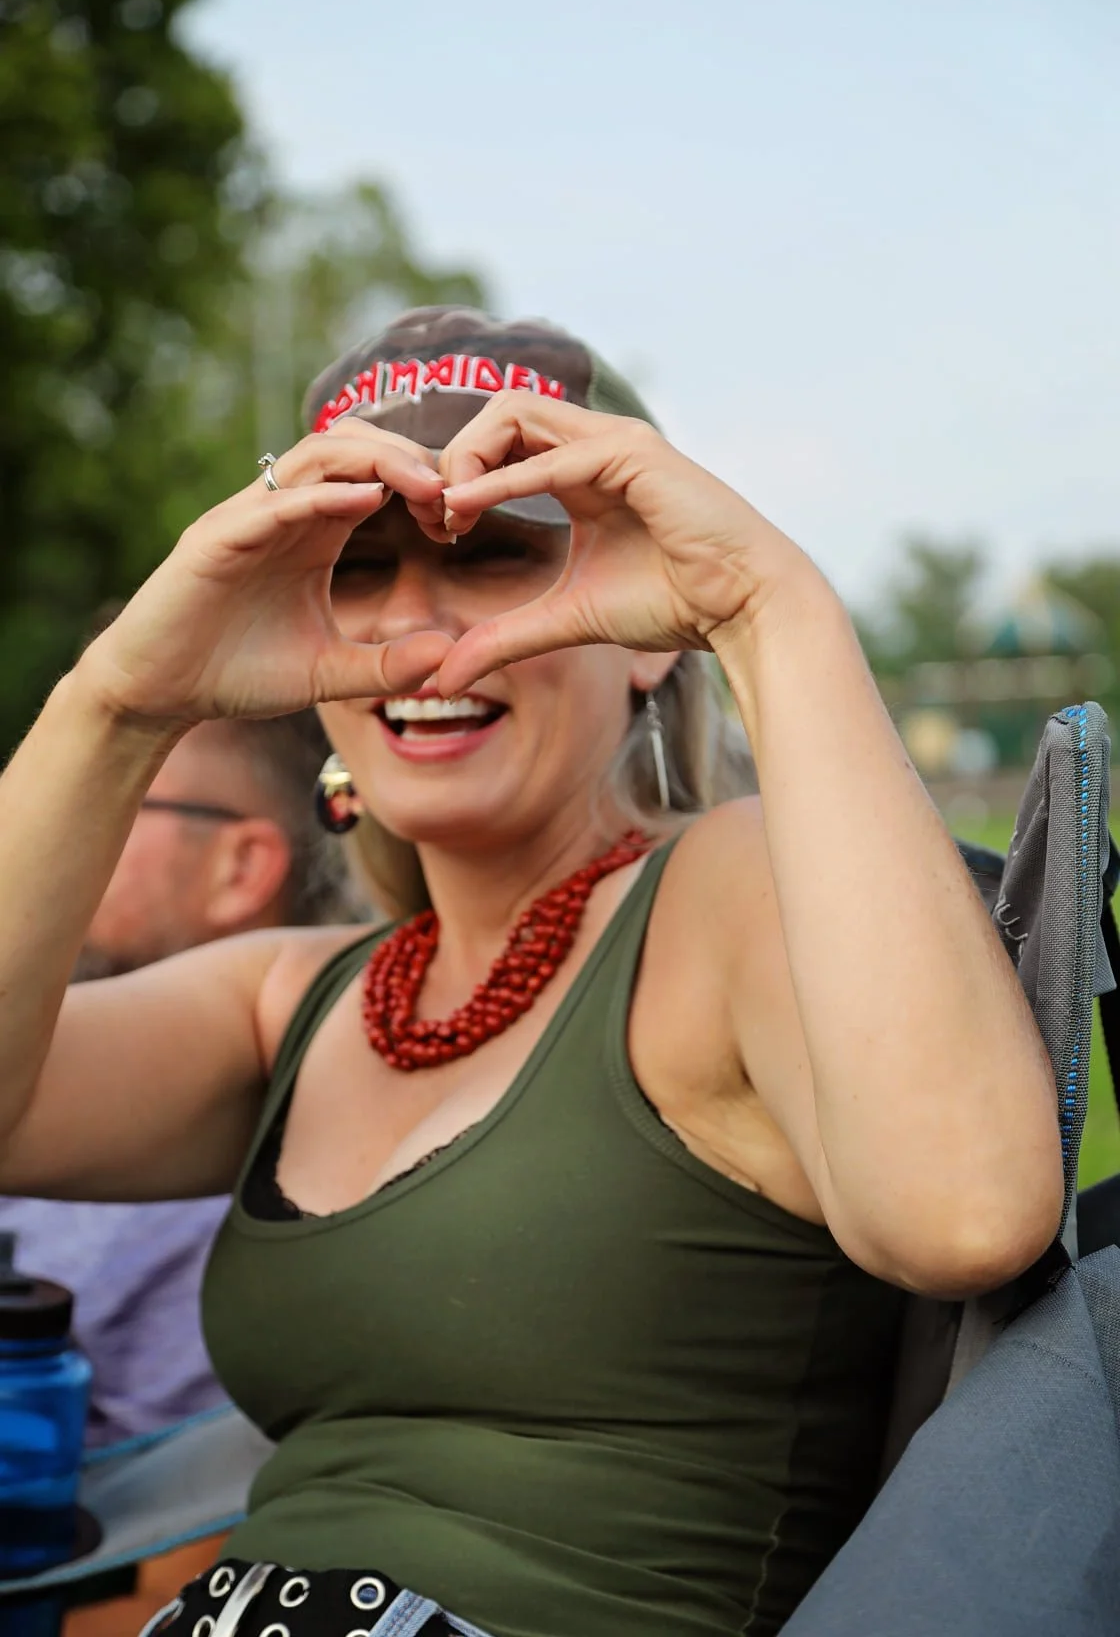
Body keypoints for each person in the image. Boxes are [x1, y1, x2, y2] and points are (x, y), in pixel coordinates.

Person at [0, 307, 1062, 1637]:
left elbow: (962, 1217)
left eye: (496, 550)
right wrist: (121, 704)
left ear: (646, 626)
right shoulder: (296, 1000)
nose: (419, 629)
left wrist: (763, 606)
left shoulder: (718, 897)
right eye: (355, 566)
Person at [0, 710, 366, 1447]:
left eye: (109, 789)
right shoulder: (44, 1079)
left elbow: (183, 1537)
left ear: (240, 868)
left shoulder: (247, 1192)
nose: (46, 817)